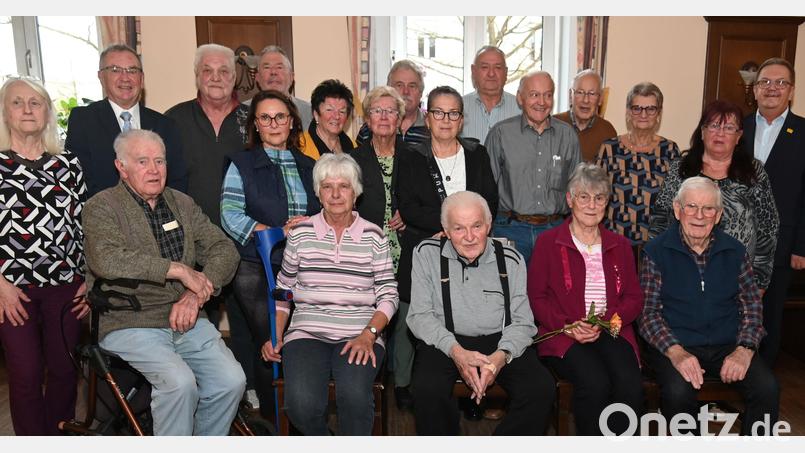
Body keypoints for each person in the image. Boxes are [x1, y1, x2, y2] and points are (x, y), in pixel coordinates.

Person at [82, 129, 245, 435]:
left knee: (231, 381)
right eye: (142, 161)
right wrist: (179, 271)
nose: (154, 169)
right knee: (179, 383)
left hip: (187, 316)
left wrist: (194, 295)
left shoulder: (181, 203)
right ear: (121, 166)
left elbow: (225, 249)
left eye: (160, 160)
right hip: (129, 319)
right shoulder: (101, 207)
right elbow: (106, 259)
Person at [261, 153, 399, 435]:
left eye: (344, 186)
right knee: (301, 406)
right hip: (307, 330)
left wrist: (369, 334)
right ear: (318, 193)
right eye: (327, 186)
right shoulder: (301, 233)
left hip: (360, 330)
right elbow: (283, 292)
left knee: (355, 397)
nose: (336, 194)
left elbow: (389, 295)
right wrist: (275, 336)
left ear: (356, 192)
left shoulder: (374, 236)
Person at [639, 177, 779, 435]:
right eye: (691, 206)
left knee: (767, 387)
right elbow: (648, 315)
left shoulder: (735, 251)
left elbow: (752, 308)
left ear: (718, 215)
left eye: (708, 209)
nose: (699, 215)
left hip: (727, 344)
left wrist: (745, 349)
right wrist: (676, 352)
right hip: (675, 344)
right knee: (678, 392)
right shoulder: (656, 251)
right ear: (677, 209)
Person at [407, 191, 555, 435]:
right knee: (426, 389)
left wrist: (500, 357)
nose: (469, 237)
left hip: (500, 340)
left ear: (488, 225)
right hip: (445, 340)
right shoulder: (427, 254)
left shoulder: (511, 259)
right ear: (445, 230)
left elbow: (523, 322)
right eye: (458, 229)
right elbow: (420, 315)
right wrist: (456, 351)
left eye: (476, 226)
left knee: (541, 389)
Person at [396, 85, 498, 417]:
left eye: (453, 113)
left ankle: (473, 393)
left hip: (472, 253)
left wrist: (464, 232)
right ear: (427, 117)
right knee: (432, 326)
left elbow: (489, 203)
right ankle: (431, 395)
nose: (445, 119)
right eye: (438, 112)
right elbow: (408, 205)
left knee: (470, 321)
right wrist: (447, 227)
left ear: (462, 119)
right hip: (428, 248)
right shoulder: (412, 156)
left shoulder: (476, 154)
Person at [164, 43, 255, 405]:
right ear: (197, 75)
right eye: (208, 71)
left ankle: (246, 392)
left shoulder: (252, 120)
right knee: (193, 323)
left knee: (246, 323)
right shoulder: (172, 119)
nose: (216, 78)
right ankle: (198, 393)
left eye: (224, 72)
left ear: (235, 78)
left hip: (242, 242)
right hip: (187, 243)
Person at [220, 89, 321, 415]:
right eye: (265, 117)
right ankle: (273, 420)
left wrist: (309, 222)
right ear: (256, 125)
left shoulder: (309, 165)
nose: (274, 123)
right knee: (271, 344)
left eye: (280, 116)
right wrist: (276, 231)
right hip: (255, 268)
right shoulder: (241, 163)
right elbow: (231, 215)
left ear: (292, 122)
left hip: (302, 267)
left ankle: (301, 418)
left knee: (301, 342)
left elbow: (325, 211)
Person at [0, 77, 89, 435]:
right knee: (25, 373)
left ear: (48, 112)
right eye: (18, 102)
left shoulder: (67, 163)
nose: (27, 109)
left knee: (65, 369)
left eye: (35, 103)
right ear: (5, 112)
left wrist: (88, 278)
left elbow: (86, 226)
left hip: (66, 285)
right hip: (12, 290)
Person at [527, 163, 644, 435]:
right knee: (594, 383)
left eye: (599, 197)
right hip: (563, 332)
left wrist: (608, 321)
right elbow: (537, 297)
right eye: (584, 196)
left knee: (629, 384)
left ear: (607, 202)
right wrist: (567, 325)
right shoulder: (548, 242)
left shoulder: (620, 244)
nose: (591, 205)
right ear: (570, 199)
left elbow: (634, 298)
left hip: (613, 329)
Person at [650, 100, 779, 292]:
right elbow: (660, 219)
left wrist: (758, 283)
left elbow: (768, 228)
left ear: (738, 136)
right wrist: (659, 268)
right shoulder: (681, 169)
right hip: (681, 274)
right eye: (714, 125)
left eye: (729, 127)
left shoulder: (753, 172)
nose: (720, 133)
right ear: (702, 132)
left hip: (738, 279)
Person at [743, 57, 805, 367]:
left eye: (780, 83)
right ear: (754, 90)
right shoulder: (737, 128)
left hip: (782, 244)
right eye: (765, 82)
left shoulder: (803, 132)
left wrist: (801, 246)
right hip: (735, 241)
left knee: (769, 315)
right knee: (732, 311)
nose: (772, 88)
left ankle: (761, 380)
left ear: (791, 91)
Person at [352, 86, 411, 409]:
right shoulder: (354, 158)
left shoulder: (416, 155)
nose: (385, 117)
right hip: (367, 245)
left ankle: (401, 382)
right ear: (367, 117)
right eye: (378, 111)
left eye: (391, 111)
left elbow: (426, 201)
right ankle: (370, 376)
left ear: (401, 119)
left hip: (406, 245)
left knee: (402, 314)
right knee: (370, 308)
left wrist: (410, 214)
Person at [65, 44, 187, 197]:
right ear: (101, 76)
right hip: (104, 216)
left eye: (132, 70)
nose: (125, 78)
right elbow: (80, 179)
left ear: (141, 79)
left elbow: (177, 182)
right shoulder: (83, 120)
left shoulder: (166, 125)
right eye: (115, 70)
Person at [486, 71, 581, 262]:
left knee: (553, 291)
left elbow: (578, 188)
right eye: (534, 94)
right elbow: (486, 189)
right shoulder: (500, 134)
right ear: (520, 98)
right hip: (510, 229)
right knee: (510, 291)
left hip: (554, 230)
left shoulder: (568, 136)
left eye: (547, 94)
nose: (542, 102)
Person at [597, 82, 680, 245]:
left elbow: (677, 201)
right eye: (637, 108)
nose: (644, 114)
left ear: (659, 114)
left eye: (650, 109)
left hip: (658, 245)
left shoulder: (670, 150)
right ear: (628, 112)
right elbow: (598, 197)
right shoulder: (609, 149)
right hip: (615, 243)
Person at [356, 60, 429, 146]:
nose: (406, 91)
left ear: (421, 92)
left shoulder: (431, 128)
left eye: (412, 86)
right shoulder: (369, 129)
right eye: (399, 85)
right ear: (389, 90)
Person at [461, 46, 521, 144]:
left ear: (505, 72)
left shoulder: (521, 109)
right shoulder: (458, 108)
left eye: (497, 67)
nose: (491, 74)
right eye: (485, 67)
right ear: (473, 71)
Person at [555, 69, 617, 162]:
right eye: (580, 92)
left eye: (592, 94)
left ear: (600, 99)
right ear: (570, 96)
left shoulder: (608, 132)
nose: (586, 100)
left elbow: (610, 173)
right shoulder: (553, 125)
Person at [252, 45, 313, 128]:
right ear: (257, 77)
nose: (273, 72)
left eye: (279, 67)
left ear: (292, 77)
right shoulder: (243, 112)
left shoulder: (310, 112)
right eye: (267, 67)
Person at [299, 79, 356, 159]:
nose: (336, 116)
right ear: (316, 114)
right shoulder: (301, 145)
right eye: (329, 110)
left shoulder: (353, 146)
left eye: (342, 111)